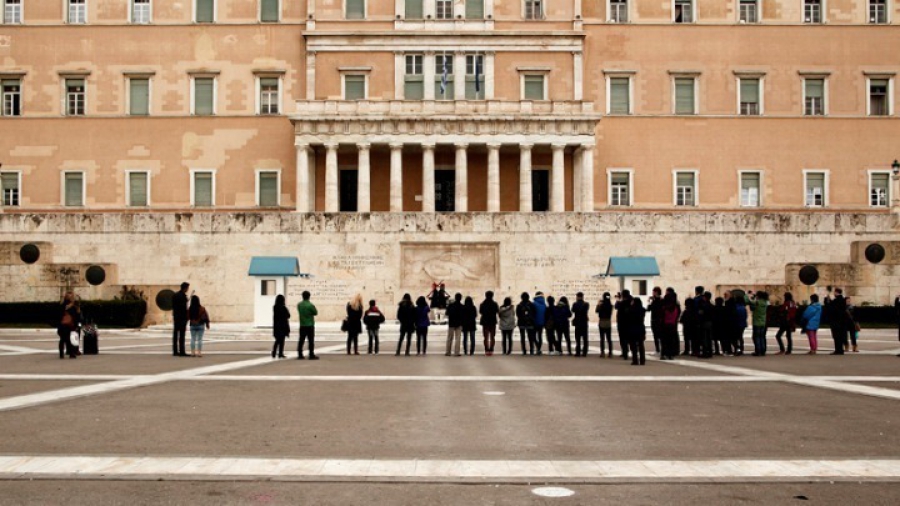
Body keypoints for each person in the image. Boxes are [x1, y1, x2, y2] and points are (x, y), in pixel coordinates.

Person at [824, 287, 848, 355]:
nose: (834, 293)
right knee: (840, 336)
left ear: (836, 292)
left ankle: (838, 350)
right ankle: (840, 350)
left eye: (834, 292)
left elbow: (831, 308)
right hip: (841, 321)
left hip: (836, 321)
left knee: (836, 336)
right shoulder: (842, 300)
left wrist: (827, 300)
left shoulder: (837, 300)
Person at [296, 290, 319, 360]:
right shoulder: (310, 305)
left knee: (301, 340)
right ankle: (311, 354)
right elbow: (315, 313)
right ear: (309, 296)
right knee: (311, 340)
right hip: (310, 324)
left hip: (302, 324)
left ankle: (300, 354)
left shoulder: (299, 305)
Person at [58, 292, 79, 359]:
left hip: (65, 324)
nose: (72, 298)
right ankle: (70, 353)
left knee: (64, 339)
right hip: (66, 325)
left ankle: (64, 353)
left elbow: (76, 314)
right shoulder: (68, 305)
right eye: (71, 297)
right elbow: (74, 315)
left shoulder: (70, 305)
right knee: (67, 339)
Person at [747, 290, 769, 356]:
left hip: (756, 322)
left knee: (756, 337)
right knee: (761, 337)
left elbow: (750, 303)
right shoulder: (765, 302)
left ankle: (758, 351)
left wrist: (750, 296)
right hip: (763, 322)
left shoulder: (757, 302)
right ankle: (762, 351)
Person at [661, 289, 681, 360]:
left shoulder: (664, 308)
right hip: (672, 325)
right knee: (671, 340)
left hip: (665, 325)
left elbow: (662, 316)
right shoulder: (675, 307)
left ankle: (664, 354)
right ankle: (670, 354)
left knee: (664, 340)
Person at [479, 291, 500, 356]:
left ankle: (486, 349)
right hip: (492, 321)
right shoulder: (495, 304)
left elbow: (480, 312)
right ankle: (491, 349)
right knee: (492, 337)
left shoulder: (482, 304)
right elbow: (497, 311)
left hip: (485, 321)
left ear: (486, 296)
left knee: (486, 337)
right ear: (492, 296)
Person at [172, 282, 189, 357]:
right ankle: (182, 351)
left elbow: (174, 306)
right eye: (187, 288)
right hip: (182, 317)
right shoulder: (183, 296)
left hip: (176, 316)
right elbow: (183, 307)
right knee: (182, 335)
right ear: (185, 288)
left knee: (175, 334)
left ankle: (175, 351)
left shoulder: (175, 295)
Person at [629, 296, 647, 366]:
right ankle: (642, 360)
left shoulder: (631, 309)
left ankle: (635, 360)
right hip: (641, 327)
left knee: (633, 345)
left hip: (633, 328)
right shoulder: (642, 310)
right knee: (641, 345)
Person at [572, 292, 590, 357]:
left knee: (578, 338)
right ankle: (584, 352)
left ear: (578, 297)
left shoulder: (575, 304)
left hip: (578, 322)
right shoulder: (586, 304)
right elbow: (586, 311)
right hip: (584, 322)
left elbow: (573, 310)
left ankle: (578, 352)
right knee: (585, 338)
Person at [596, 293, 614, 358]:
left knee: (602, 338)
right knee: (609, 338)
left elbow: (597, 311)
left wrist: (598, 304)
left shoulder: (601, 305)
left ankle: (602, 352)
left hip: (602, 321)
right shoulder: (610, 305)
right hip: (608, 321)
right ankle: (610, 352)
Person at [272, 294, 290, 359]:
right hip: (283, 326)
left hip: (277, 326)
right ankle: (280, 353)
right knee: (282, 341)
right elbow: (288, 315)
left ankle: (274, 352)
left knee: (277, 340)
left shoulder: (275, 307)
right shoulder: (283, 308)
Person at [648, 287, 664, 355]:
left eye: (653, 292)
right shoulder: (655, 300)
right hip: (655, 319)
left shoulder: (659, 300)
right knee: (656, 335)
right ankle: (658, 349)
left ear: (656, 292)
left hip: (657, 320)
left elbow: (650, 308)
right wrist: (650, 302)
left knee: (658, 335)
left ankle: (660, 350)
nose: (652, 293)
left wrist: (651, 302)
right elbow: (649, 309)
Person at [615, 292, 630, 359]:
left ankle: (625, 352)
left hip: (622, 323)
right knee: (628, 338)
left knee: (622, 338)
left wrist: (618, 300)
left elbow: (616, 306)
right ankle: (627, 351)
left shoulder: (621, 303)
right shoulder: (630, 302)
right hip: (628, 323)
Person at [532, 292, 547, 356]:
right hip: (542, 322)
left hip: (535, 322)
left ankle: (538, 348)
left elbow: (532, 313)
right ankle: (539, 349)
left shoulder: (534, 304)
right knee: (540, 336)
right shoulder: (544, 304)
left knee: (533, 336)